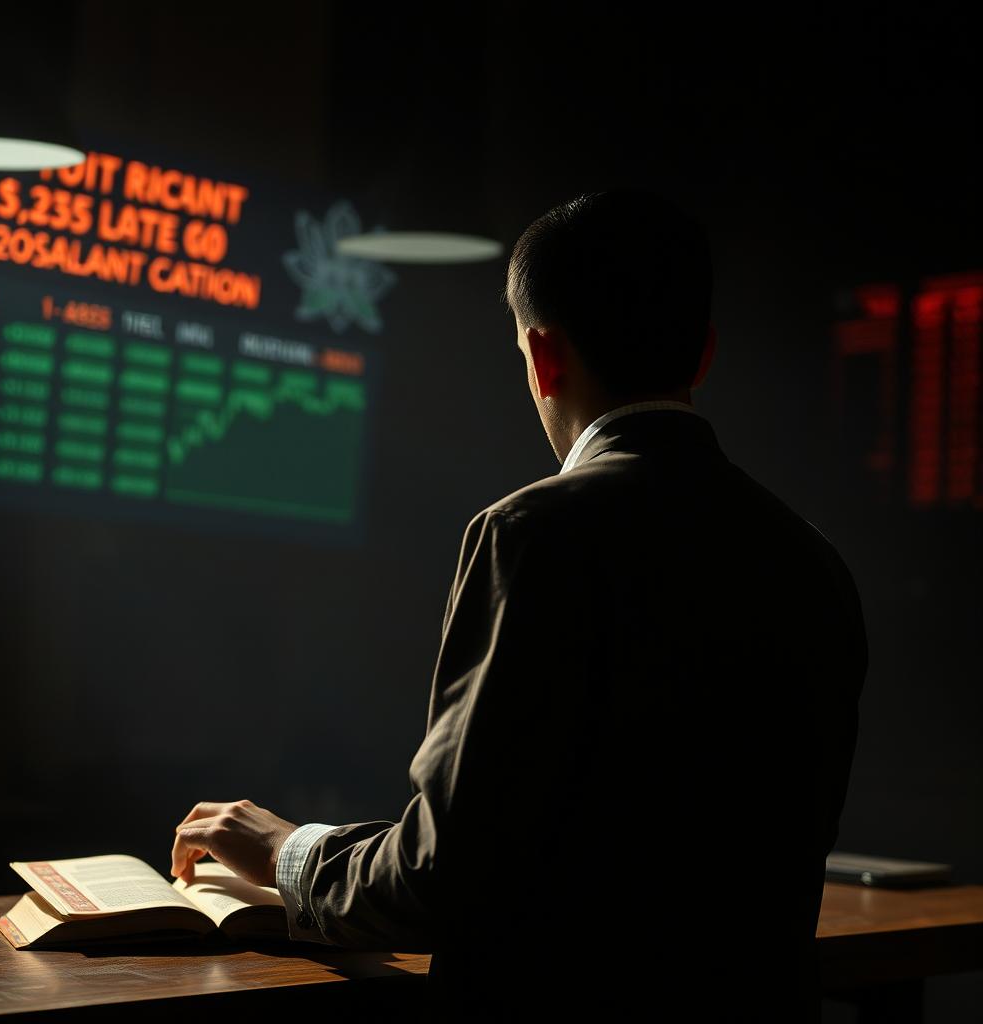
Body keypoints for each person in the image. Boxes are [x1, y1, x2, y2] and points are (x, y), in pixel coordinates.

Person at [169, 189, 868, 1023]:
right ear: (704, 355)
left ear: (542, 358)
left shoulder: (533, 533)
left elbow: (444, 880)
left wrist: (288, 852)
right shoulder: (814, 563)